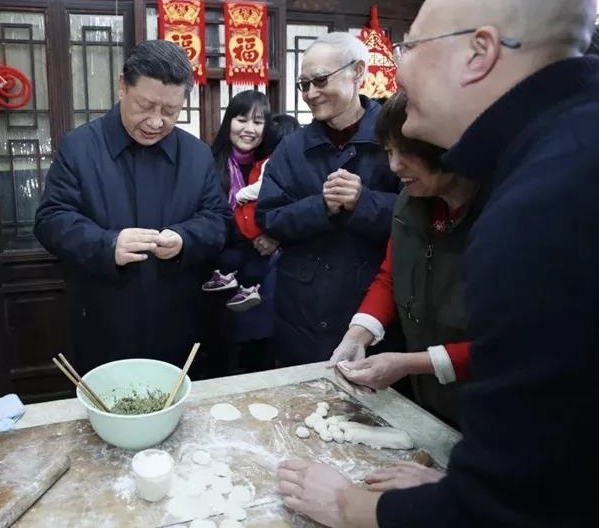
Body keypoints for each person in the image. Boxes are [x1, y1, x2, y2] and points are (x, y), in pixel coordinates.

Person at [277, 0, 599, 527]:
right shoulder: (563, 145)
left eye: (410, 47)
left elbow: (519, 503)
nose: (395, 69)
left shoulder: (545, 201)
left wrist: (352, 505)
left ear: (480, 52)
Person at [34, 40, 229, 372]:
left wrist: (184, 239)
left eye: (170, 111)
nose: (156, 121)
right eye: (145, 105)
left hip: (178, 322)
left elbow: (219, 221)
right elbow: (51, 220)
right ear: (123, 86)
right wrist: (108, 244)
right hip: (104, 321)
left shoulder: (196, 155)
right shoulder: (80, 147)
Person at [326, 91, 478, 427]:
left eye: (406, 152)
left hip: (487, 402)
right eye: (389, 152)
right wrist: (357, 335)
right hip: (431, 396)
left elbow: (509, 345)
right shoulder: (411, 202)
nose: (395, 166)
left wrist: (410, 363)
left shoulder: (503, 215)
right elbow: (391, 275)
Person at [256, 32, 400, 365]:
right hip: (301, 311)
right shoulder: (292, 147)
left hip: (372, 308)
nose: (311, 94)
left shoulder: (395, 136)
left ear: (359, 72)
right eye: (304, 85)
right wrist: (321, 207)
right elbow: (269, 217)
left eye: (320, 81)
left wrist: (363, 202)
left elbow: (422, 217)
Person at [202, 90, 280, 312]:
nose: (249, 129)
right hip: (217, 271)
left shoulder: (273, 165)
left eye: (257, 122)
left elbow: (289, 205)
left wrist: (276, 235)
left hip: (262, 276)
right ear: (229, 122)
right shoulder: (206, 161)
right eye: (242, 120)